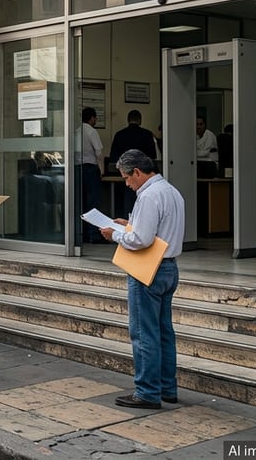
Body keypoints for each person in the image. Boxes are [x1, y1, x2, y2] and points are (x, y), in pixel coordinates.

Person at [100, 149, 184, 409]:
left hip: (147, 269)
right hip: (169, 267)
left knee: (144, 333)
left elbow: (141, 240)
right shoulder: (171, 191)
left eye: (127, 177)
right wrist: (129, 223)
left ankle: (147, 392)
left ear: (137, 172)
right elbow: (157, 228)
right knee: (164, 332)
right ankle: (167, 388)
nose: (126, 183)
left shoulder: (148, 195)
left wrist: (114, 235)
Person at [109, 109, 158, 216]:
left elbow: (113, 157)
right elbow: (152, 157)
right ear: (140, 120)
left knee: (125, 204)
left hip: (124, 175)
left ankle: (126, 227)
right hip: (143, 176)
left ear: (128, 120)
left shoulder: (120, 134)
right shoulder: (147, 134)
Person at [78, 107, 104, 244]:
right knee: (92, 202)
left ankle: (82, 234)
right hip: (91, 169)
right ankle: (94, 234)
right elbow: (99, 152)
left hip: (78, 169)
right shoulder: (92, 132)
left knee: (80, 202)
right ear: (92, 118)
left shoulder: (76, 131)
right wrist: (102, 170)